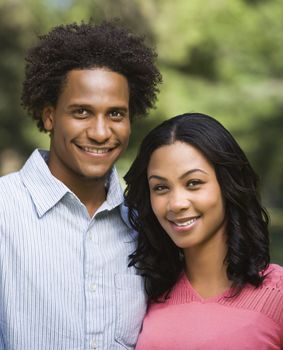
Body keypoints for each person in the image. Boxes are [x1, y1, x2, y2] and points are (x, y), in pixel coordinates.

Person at [0, 21, 161, 349]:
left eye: (116, 114)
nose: (101, 132)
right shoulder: (4, 211)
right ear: (49, 116)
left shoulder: (148, 226)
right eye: (82, 112)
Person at [124, 113, 283, 350]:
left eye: (193, 183)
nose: (176, 203)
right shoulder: (142, 296)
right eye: (160, 187)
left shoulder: (278, 296)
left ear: (227, 185)